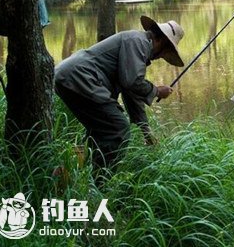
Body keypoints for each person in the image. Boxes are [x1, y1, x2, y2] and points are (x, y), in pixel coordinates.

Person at [55, 16, 184, 182]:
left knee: (98, 131)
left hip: (70, 76)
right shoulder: (138, 42)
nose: (161, 57)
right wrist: (157, 91)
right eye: (166, 52)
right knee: (118, 128)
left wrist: (146, 132)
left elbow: (131, 93)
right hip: (81, 77)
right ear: (160, 40)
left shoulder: (137, 46)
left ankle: (64, 174)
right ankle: (99, 183)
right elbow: (132, 82)